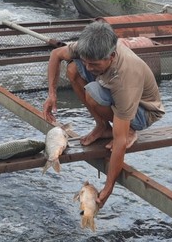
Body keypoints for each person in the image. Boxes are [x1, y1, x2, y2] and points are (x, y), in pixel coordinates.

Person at [43, 21, 165, 208]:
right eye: (86, 61)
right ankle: (102, 126)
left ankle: (131, 129)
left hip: (143, 112)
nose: (89, 67)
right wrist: (52, 94)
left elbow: (119, 143)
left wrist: (108, 189)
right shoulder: (91, 47)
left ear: (112, 56)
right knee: (73, 69)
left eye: (94, 64)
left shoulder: (125, 77)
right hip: (110, 86)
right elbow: (56, 54)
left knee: (92, 93)